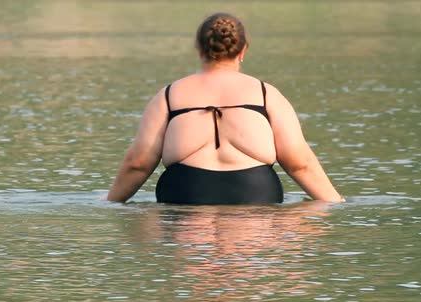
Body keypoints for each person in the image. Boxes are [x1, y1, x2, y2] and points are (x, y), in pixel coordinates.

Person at [107, 12, 343, 205]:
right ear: (242, 52)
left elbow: (138, 164)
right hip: (257, 204)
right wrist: (336, 201)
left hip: (184, 205)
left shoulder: (169, 96)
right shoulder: (266, 95)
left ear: (199, 49)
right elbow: (299, 163)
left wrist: (110, 201)